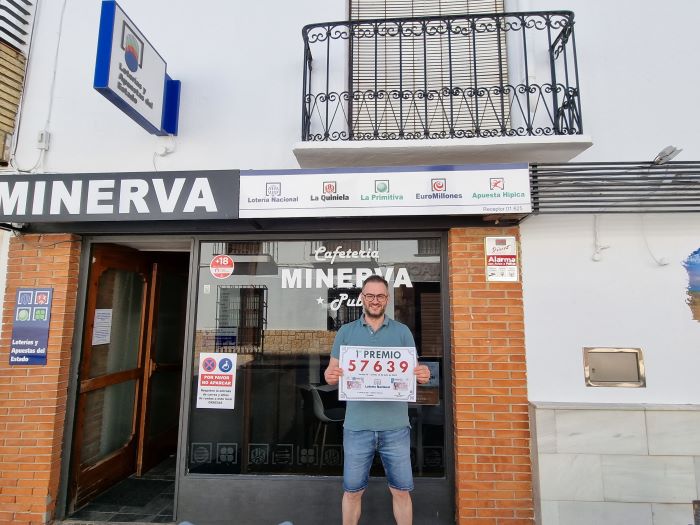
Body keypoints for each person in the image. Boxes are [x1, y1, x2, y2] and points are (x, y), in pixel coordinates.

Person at [324, 275, 431, 525]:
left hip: (395, 426)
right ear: (362, 298)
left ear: (387, 299)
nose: (375, 301)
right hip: (357, 425)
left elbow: (415, 372)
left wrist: (423, 374)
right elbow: (332, 374)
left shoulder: (402, 332)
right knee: (352, 492)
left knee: (401, 491)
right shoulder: (346, 333)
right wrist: (330, 375)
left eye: (380, 296)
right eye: (370, 296)